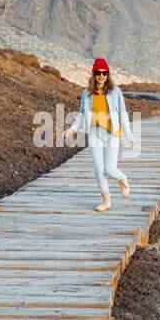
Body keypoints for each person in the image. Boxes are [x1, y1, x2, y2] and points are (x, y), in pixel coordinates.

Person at [62, 57, 135, 211]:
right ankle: (106, 199)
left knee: (109, 169)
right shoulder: (87, 93)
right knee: (98, 169)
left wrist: (129, 136)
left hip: (112, 134)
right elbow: (82, 114)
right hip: (95, 132)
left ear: (108, 74)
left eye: (104, 73)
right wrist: (73, 129)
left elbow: (122, 113)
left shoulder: (115, 92)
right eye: (98, 72)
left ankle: (122, 178)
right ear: (93, 74)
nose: (101, 76)